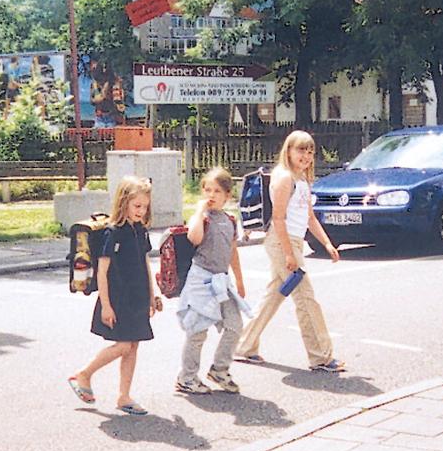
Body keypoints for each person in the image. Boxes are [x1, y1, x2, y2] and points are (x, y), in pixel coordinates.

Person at [234, 130, 346, 373]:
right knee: (306, 299)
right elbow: (278, 219)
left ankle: (244, 346)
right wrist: (288, 254)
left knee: (274, 296)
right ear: (289, 151)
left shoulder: (302, 179)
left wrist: (327, 244)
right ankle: (321, 357)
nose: (306, 156)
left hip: (292, 242)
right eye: (300, 150)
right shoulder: (284, 178)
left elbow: (309, 217)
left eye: (310, 151)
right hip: (282, 242)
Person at [68, 177, 162, 415]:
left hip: (138, 296)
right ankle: (84, 375)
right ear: (124, 203)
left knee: (133, 347)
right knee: (122, 345)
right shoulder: (113, 232)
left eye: (144, 206)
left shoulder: (140, 231)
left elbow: (145, 263)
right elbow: (102, 271)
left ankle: (124, 396)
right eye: (137, 206)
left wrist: (153, 295)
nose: (141, 211)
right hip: (119, 298)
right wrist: (106, 306)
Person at [175, 167, 251, 395]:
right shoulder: (202, 218)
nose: (211, 195)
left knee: (234, 325)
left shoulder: (229, 220)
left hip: (221, 281)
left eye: (217, 191)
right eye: (207, 190)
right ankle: (187, 377)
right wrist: (199, 211)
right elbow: (194, 237)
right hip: (201, 280)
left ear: (228, 195)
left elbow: (232, 251)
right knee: (197, 331)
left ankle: (220, 368)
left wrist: (239, 279)